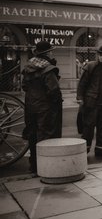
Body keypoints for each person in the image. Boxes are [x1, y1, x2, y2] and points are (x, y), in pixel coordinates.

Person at [22, 41, 63, 173]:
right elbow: (54, 90)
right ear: (47, 53)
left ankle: (33, 165)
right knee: (46, 135)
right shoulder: (48, 69)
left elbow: (24, 86)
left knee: (33, 134)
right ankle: (45, 166)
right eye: (51, 51)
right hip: (46, 107)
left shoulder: (28, 67)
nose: (52, 53)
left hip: (30, 105)